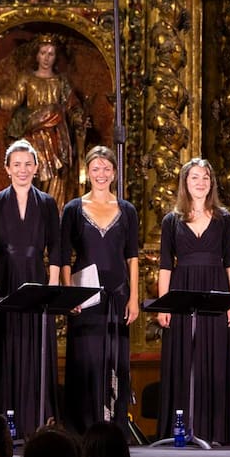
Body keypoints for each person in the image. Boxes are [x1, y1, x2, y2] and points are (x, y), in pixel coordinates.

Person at [0, 139, 62, 433]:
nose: (23, 170)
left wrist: (51, 285)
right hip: (3, 278)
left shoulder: (48, 203)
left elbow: (56, 248)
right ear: (7, 169)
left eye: (28, 164)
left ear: (36, 168)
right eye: (17, 165)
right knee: (4, 344)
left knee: (35, 344)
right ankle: (1, 420)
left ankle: (37, 418)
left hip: (36, 277)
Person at [54, 145, 139, 437]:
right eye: (95, 169)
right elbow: (64, 256)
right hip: (85, 296)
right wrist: (69, 294)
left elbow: (133, 257)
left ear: (114, 172)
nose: (101, 174)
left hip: (118, 293)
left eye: (106, 169)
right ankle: (82, 429)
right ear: (86, 172)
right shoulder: (73, 209)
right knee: (86, 359)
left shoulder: (127, 210)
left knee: (115, 358)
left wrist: (134, 298)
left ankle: (114, 428)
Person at [156, 158, 230, 445]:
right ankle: (181, 429)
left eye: (206, 177)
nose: (201, 182)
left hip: (216, 290)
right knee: (183, 357)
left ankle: (214, 431)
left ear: (212, 183)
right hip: (182, 290)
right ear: (185, 182)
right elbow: (165, 265)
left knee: (213, 357)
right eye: (195, 177)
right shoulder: (171, 220)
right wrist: (164, 304)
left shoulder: (223, 218)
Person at [0, 35, 87, 205]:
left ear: (56, 57)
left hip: (56, 139)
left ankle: (55, 217)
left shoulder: (61, 82)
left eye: (51, 54)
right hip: (34, 136)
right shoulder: (27, 78)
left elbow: (73, 106)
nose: (46, 58)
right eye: (43, 53)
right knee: (32, 175)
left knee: (55, 178)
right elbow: (14, 98)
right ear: (36, 55)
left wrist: (79, 118)